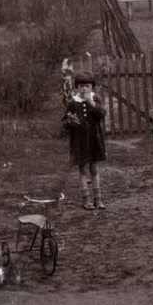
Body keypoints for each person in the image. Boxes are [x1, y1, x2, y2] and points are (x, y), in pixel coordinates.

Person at [63, 71, 107, 210]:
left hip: (94, 139)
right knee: (82, 169)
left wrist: (91, 102)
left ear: (92, 87)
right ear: (77, 87)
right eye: (81, 86)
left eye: (87, 86)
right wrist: (71, 122)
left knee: (94, 168)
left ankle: (98, 199)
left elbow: (101, 115)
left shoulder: (96, 99)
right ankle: (86, 199)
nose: (84, 89)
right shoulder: (72, 103)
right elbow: (65, 123)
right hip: (79, 141)